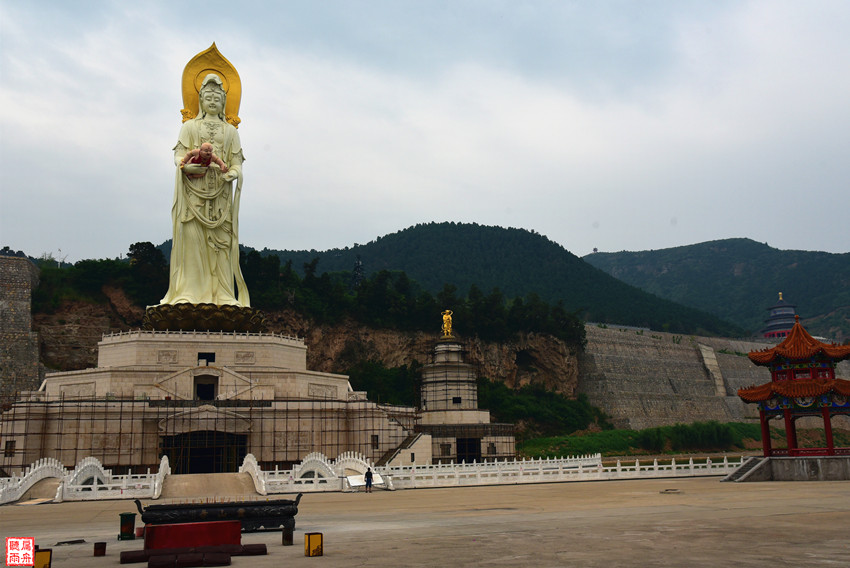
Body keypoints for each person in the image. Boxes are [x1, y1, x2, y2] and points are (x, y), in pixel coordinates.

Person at [159, 74, 250, 307]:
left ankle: (222, 295)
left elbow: (237, 161)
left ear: (224, 102)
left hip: (219, 198)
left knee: (220, 247)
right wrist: (183, 165)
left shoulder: (231, 132)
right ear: (199, 100)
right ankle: (188, 294)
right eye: (207, 96)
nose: (212, 100)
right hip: (193, 197)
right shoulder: (189, 127)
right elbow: (179, 155)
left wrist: (233, 172)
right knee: (192, 244)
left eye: (217, 96)